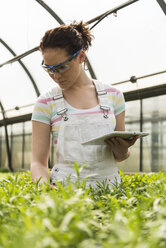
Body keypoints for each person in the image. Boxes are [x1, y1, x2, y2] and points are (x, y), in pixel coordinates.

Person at [30, 21, 138, 189]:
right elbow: (38, 162)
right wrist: (45, 189)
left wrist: (122, 149)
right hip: (64, 194)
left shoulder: (114, 96)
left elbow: (119, 156)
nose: (56, 76)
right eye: (49, 69)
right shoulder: (45, 102)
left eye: (61, 67)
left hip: (109, 193)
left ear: (81, 57)